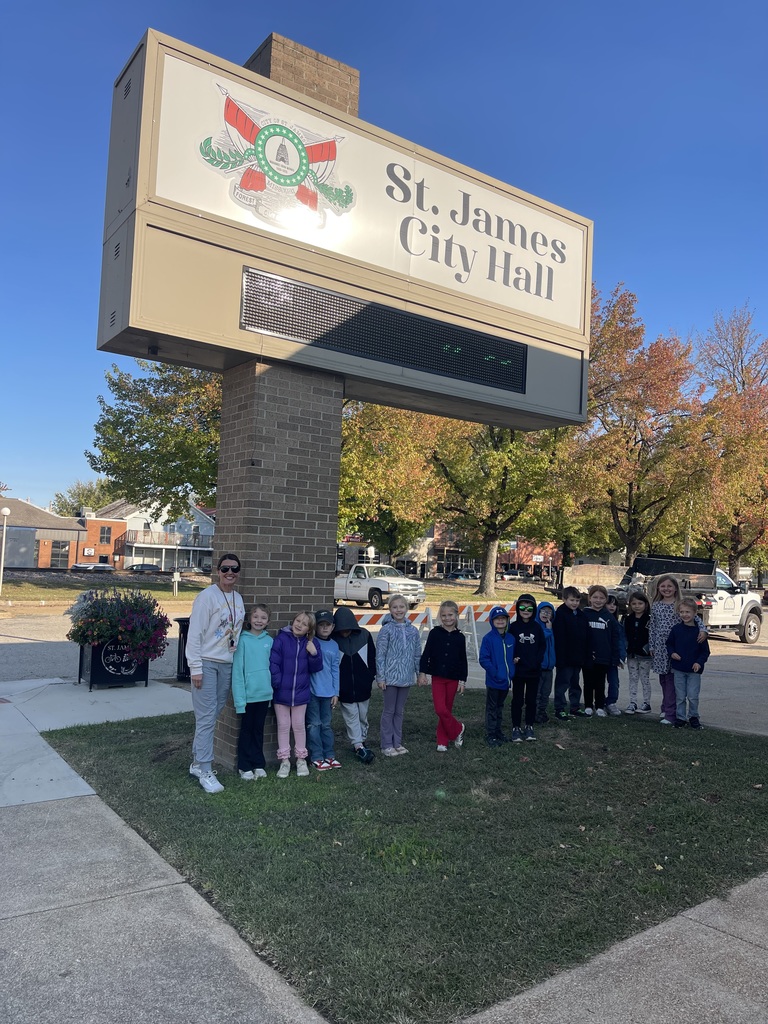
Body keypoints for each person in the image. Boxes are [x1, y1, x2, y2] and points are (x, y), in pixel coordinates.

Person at [186, 553, 245, 793]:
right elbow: (194, 634)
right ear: (217, 571)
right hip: (207, 664)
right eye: (225, 569)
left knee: (213, 714)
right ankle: (205, 768)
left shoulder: (238, 598)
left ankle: (197, 761)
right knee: (207, 717)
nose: (229, 573)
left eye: (234, 569)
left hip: (226, 663)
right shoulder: (206, 597)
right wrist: (196, 668)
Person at [269, 610, 322, 778]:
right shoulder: (281, 639)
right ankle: (284, 761)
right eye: (298, 621)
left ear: (309, 629)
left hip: (301, 692)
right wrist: (277, 683)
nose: (299, 625)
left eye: (304, 624)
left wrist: (314, 653)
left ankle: (301, 760)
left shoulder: (311, 642)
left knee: (299, 726)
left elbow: (316, 668)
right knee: (283, 726)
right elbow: (273, 662)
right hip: (281, 693)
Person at [649, 575, 706, 726]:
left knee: (672, 681)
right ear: (658, 588)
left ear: (675, 588)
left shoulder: (680, 605)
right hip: (662, 647)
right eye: (663, 586)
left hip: (679, 646)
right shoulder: (656, 605)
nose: (666, 589)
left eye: (669, 586)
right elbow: (653, 627)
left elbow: (697, 619)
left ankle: (671, 713)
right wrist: (652, 645)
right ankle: (666, 707)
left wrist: (703, 631)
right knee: (664, 679)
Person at [419, 599, 468, 752]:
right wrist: (422, 673)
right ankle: (458, 728)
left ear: (456, 615)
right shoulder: (435, 633)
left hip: (453, 678)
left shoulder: (460, 637)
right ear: (440, 617)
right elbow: (426, 654)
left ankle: (442, 740)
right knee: (440, 709)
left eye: (450, 615)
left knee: (447, 709)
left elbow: (463, 661)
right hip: (438, 678)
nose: (447, 618)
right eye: (444, 615)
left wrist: (462, 681)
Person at [231, 604, 273, 780]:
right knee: (246, 731)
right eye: (256, 617)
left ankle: (258, 763)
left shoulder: (269, 641)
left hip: (264, 695)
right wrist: (240, 700)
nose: (259, 621)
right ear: (249, 619)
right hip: (248, 696)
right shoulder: (243, 641)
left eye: (263, 618)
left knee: (258, 730)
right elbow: (238, 673)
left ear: (268, 621)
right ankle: (244, 765)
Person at [376, 594, 421, 756]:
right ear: (390, 610)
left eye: (401, 607)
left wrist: (419, 673)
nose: (398, 610)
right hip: (389, 678)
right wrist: (380, 677)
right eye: (394, 607)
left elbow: (417, 654)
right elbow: (380, 655)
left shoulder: (413, 631)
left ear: (406, 608)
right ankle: (386, 744)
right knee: (389, 711)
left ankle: (397, 742)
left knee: (399, 711)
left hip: (406, 677)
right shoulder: (386, 630)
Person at [333, 606, 377, 763]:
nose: (344, 632)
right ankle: (358, 744)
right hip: (344, 689)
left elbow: (372, 657)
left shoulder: (364, 635)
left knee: (362, 715)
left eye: (347, 629)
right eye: (341, 629)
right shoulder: (334, 640)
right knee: (351, 716)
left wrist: (370, 676)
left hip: (363, 686)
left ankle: (361, 740)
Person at [666, 596, 710, 729]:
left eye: (688, 612)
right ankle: (680, 718)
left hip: (694, 671)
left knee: (693, 696)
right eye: (682, 612)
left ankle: (693, 717)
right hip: (679, 668)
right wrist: (672, 653)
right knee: (680, 696)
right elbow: (669, 644)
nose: (684, 615)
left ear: (695, 613)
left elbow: (705, 651)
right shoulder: (676, 629)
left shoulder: (700, 632)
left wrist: (699, 662)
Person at [508, 594, 547, 741]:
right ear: (518, 609)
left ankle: (529, 725)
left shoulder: (537, 627)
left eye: (529, 608)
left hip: (534, 671)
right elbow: (509, 645)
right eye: (522, 607)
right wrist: (513, 659)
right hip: (518, 671)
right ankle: (516, 727)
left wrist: (537, 661)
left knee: (531, 699)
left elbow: (542, 646)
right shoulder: (513, 627)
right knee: (517, 699)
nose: (526, 610)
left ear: (534, 610)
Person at [307, 609, 342, 771]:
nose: (325, 628)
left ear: (333, 627)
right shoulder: (311, 641)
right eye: (321, 625)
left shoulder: (334, 645)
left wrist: (336, 692)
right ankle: (317, 756)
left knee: (326, 725)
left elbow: (335, 669)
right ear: (316, 627)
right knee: (314, 724)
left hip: (328, 693)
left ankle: (330, 755)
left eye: (328, 625)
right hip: (313, 692)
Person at [552, 586, 591, 720]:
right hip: (565, 657)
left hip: (578, 657)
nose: (574, 603)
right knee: (562, 683)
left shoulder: (581, 615)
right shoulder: (561, 615)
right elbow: (559, 638)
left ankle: (575, 706)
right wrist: (560, 658)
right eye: (571, 600)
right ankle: (560, 708)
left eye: (577, 600)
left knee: (575, 683)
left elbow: (586, 636)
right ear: (564, 599)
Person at [582, 585, 621, 717]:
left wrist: (615, 657)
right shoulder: (584, 614)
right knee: (588, 682)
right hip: (587, 656)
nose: (598, 600)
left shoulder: (609, 617)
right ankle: (588, 705)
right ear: (590, 598)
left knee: (600, 683)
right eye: (595, 597)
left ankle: (599, 706)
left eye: (601, 598)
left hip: (604, 656)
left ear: (605, 600)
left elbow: (615, 638)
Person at [479, 605, 515, 747]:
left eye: (503, 618)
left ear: (507, 620)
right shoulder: (488, 639)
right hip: (494, 681)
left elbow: (512, 658)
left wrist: (512, 670)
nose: (500, 621)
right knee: (492, 708)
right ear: (492, 621)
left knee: (500, 707)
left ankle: (498, 731)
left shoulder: (511, 639)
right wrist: (494, 672)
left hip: (506, 681)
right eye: (497, 619)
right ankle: (491, 734)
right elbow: (484, 659)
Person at [623, 591, 653, 714]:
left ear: (645, 604)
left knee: (645, 679)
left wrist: (647, 648)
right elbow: (624, 636)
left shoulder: (649, 619)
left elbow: (652, 636)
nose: (637, 606)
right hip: (631, 654)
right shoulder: (627, 619)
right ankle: (632, 702)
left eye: (640, 603)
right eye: (634, 603)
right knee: (633, 678)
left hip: (644, 655)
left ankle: (646, 703)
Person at [604, 594, 626, 716]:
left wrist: (621, 658)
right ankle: (600, 702)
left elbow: (621, 642)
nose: (612, 606)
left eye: (614, 604)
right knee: (598, 681)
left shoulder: (618, 624)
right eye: (609, 603)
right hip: (600, 657)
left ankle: (611, 702)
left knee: (614, 681)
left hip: (613, 658)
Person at [535, 601, 556, 724]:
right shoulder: (537, 627)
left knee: (546, 692)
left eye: (549, 612)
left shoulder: (551, 627)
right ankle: (535, 712)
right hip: (539, 666)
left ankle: (542, 712)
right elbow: (540, 639)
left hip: (549, 666)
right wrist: (548, 630)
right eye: (543, 611)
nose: (546, 614)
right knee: (537, 692)